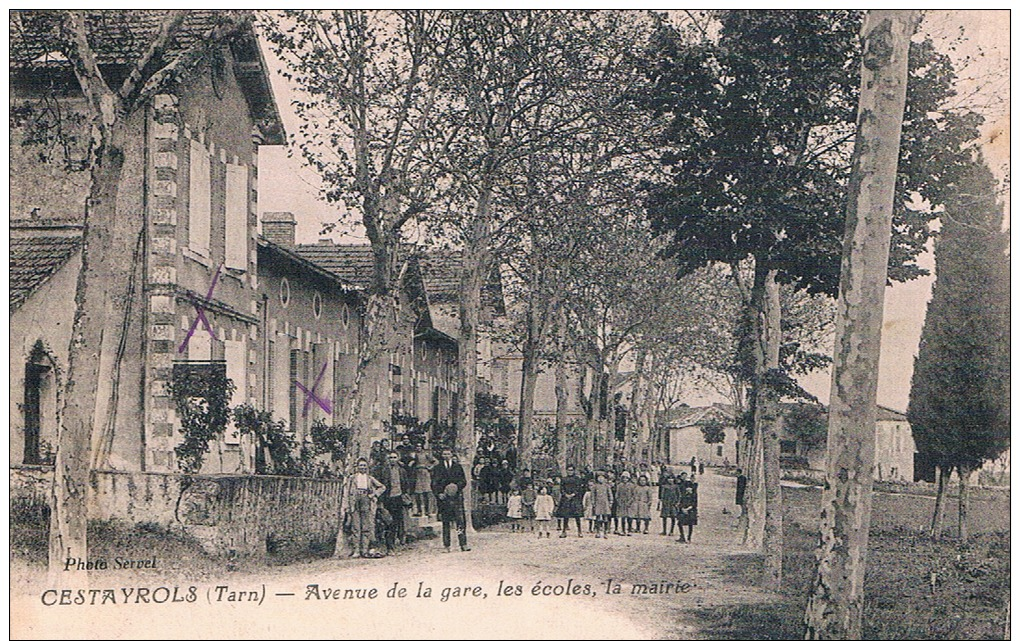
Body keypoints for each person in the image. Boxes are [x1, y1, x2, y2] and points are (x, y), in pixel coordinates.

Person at [342, 457, 386, 558]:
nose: (362, 467)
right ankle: (356, 550)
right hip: (355, 501)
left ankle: (365, 550)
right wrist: (347, 505)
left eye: (364, 466)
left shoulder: (370, 478)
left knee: (366, 526)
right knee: (355, 527)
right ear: (357, 467)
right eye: (360, 465)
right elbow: (347, 492)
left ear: (367, 467)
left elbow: (382, 487)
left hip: (366, 500)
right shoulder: (352, 478)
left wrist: (374, 494)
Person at [431, 447, 470, 552]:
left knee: (460, 522)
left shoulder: (458, 467)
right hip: (444, 499)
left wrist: (456, 487)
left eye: (448, 454)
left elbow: (463, 481)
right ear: (442, 455)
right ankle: (447, 545)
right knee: (446, 522)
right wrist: (439, 493)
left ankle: (463, 544)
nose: (446, 456)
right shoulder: (438, 468)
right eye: (444, 454)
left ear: (452, 455)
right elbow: (434, 483)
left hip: (456, 498)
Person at [380, 450, 408, 554]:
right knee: (389, 523)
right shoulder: (384, 470)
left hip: (398, 498)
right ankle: (389, 547)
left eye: (394, 457)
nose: (392, 459)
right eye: (391, 457)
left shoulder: (402, 470)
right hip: (388, 498)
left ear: (398, 458)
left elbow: (405, 483)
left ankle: (397, 543)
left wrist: (404, 494)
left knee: (398, 522)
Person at [557, 465, 585, 538]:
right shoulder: (564, 479)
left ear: (574, 471)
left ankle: (579, 531)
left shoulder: (577, 479)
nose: (570, 471)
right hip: (566, 498)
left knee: (577, 516)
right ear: (566, 471)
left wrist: (573, 494)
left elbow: (579, 488)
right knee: (566, 515)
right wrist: (565, 494)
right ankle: (564, 531)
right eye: (568, 470)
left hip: (575, 499)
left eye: (571, 470)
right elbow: (561, 488)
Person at [412, 445, 436, 517]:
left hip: (425, 473)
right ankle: (419, 510)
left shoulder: (426, 454)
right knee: (418, 493)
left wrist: (430, 467)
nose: (418, 448)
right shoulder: (414, 454)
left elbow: (435, 462)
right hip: (417, 474)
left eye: (419, 446)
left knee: (426, 492)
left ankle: (428, 511)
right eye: (417, 446)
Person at [676, 472, 698, 544]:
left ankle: (689, 537)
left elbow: (694, 504)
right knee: (680, 523)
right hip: (683, 510)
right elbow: (680, 502)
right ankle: (682, 536)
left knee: (690, 524)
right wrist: (682, 508)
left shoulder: (694, 495)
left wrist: (687, 509)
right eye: (687, 488)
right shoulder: (683, 495)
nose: (688, 490)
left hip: (691, 510)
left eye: (690, 489)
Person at [591, 471, 614, 539]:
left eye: (602, 477)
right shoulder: (595, 486)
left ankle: (605, 532)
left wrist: (610, 502)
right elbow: (593, 495)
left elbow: (610, 494)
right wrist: (593, 503)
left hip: (605, 503)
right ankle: (598, 532)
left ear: (605, 478)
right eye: (599, 477)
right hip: (598, 503)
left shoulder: (607, 486)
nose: (600, 479)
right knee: (598, 518)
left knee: (605, 518)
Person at [615, 471, 637, 536]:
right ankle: (623, 530)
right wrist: (619, 501)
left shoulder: (632, 486)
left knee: (629, 517)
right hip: (622, 503)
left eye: (626, 478)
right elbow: (617, 495)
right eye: (623, 478)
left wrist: (630, 502)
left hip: (629, 504)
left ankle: (629, 530)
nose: (625, 479)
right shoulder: (619, 485)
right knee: (623, 517)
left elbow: (634, 495)